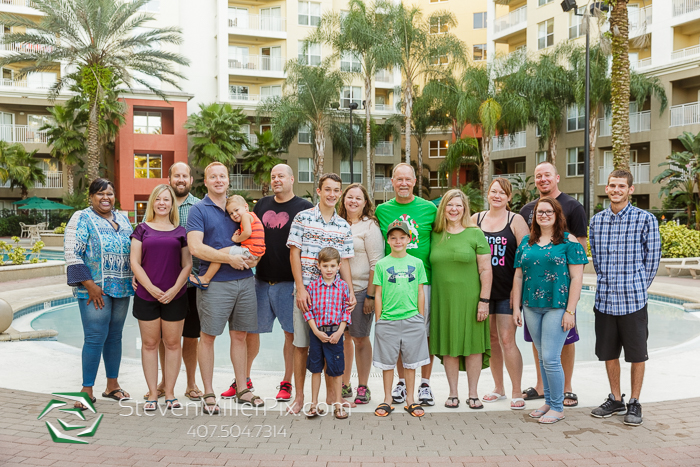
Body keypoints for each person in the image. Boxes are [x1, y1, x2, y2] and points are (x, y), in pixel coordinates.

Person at [186, 162, 262, 414]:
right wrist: (228, 258)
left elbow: (255, 239)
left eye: (222, 176)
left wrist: (255, 259)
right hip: (215, 285)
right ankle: (208, 392)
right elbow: (196, 248)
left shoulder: (238, 209)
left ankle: (243, 389)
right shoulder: (198, 210)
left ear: (229, 181)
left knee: (240, 336)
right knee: (207, 337)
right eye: (212, 176)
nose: (218, 180)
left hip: (244, 281)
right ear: (205, 181)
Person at [589, 169, 661, 426]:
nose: (616, 189)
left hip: (633, 301)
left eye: (621, 186)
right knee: (608, 353)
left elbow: (652, 261)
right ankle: (616, 399)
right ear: (606, 189)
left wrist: (638, 286)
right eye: (612, 185)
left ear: (631, 190)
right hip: (605, 300)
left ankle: (634, 402)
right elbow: (596, 259)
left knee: (637, 355)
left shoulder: (646, 220)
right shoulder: (596, 221)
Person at [512, 197, 588, 424]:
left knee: (550, 357)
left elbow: (577, 278)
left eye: (548, 211)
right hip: (531, 307)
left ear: (557, 215)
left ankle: (557, 407)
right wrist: (516, 307)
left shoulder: (568, 241)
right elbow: (518, 276)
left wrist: (570, 311)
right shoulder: (526, 242)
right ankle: (549, 402)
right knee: (543, 358)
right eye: (539, 212)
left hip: (557, 306)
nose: (543, 215)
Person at [240, 164, 312, 402]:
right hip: (260, 280)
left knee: (290, 335)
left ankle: (287, 382)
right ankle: (244, 380)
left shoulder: (304, 208)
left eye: (281, 176)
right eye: (273, 177)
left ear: (292, 179)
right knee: (251, 332)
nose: (276, 180)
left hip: (289, 283)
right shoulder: (261, 205)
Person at [287, 173, 356, 414]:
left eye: (336, 190)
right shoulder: (302, 218)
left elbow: (345, 262)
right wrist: (301, 289)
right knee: (302, 345)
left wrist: (350, 292)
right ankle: (300, 397)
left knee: (331, 345)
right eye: (328, 189)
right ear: (318, 191)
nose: (332, 194)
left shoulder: (344, 226)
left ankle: (332, 397)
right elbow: (294, 253)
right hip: (307, 292)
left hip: (334, 297)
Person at [64, 178, 134, 410]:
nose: (106, 198)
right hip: (94, 290)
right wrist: (90, 286)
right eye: (100, 194)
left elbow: (134, 250)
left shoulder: (123, 219)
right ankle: (86, 390)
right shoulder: (81, 218)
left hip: (121, 289)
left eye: (110, 194)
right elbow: (73, 254)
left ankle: (112, 385)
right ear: (91, 197)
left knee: (115, 337)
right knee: (95, 338)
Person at [375, 163, 437, 407]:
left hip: (423, 281)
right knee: (396, 334)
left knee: (423, 332)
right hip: (392, 281)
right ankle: (401, 382)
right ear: (392, 181)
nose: (403, 183)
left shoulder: (429, 208)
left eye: (407, 179)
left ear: (414, 181)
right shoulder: (382, 210)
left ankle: (425, 384)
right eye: (398, 179)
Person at [130, 184, 192, 411]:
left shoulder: (181, 232)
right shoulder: (141, 229)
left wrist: (175, 289)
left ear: (172, 204)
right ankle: (152, 395)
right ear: (153, 203)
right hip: (147, 295)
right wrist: (151, 288)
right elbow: (134, 262)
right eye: (158, 199)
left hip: (175, 296)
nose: (162, 203)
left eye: (167, 199)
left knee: (174, 344)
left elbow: (187, 265)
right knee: (149, 344)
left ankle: (170, 394)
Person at [431, 190, 493, 410]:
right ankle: (453, 393)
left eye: (458, 205)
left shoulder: (475, 233)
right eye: (449, 205)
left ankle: (473, 393)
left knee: (473, 345)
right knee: (449, 345)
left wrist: (484, 301)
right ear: (443, 208)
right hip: (443, 300)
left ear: (465, 208)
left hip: (471, 299)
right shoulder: (435, 233)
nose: (454, 209)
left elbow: (486, 270)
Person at [473, 178, 529, 409]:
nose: (497, 196)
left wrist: (518, 297)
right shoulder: (476, 219)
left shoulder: (515, 220)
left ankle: (517, 390)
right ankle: (499, 388)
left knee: (507, 339)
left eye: (502, 193)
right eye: (493, 191)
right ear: (488, 194)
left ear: (509, 198)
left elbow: (525, 260)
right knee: (492, 340)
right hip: (482, 291)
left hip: (507, 291)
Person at [149, 162, 203, 403]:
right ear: (169, 178)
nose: (180, 179)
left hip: (192, 285)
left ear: (191, 180)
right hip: (162, 285)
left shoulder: (200, 207)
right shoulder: (157, 203)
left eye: (185, 176)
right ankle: (163, 382)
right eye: (176, 175)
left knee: (191, 336)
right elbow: (144, 239)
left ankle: (191, 383)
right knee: (162, 337)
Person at [372, 220, 430, 418]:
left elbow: (420, 292)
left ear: (409, 239)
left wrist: (420, 318)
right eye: (393, 238)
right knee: (388, 363)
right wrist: (379, 320)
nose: (398, 241)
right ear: (388, 240)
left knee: (411, 363)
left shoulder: (417, 263)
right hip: (388, 320)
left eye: (402, 237)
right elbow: (378, 293)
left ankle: (410, 399)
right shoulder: (382, 264)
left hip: (412, 319)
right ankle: (387, 399)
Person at [337, 183, 385, 405]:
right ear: (343, 199)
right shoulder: (336, 223)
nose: (353, 201)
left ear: (365, 202)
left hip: (360, 290)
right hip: (336, 292)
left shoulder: (369, 226)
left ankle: (363, 386)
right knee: (343, 338)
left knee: (360, 338)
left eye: (358, 198)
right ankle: (344, 383)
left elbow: (377, 263)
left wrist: (370, 296)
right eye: (350, 197)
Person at [304, 247, 351, 419]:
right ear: (318, 266)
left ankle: (338, 404)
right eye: (325, 266)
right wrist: (315, 331)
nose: (329, 269)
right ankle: (314, 404)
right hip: (317, 334)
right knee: (316, 369)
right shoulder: (313, 287)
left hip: (335, 334)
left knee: (337, 371)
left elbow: (346, 310)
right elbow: (307, 311)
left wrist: (340, 331)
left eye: (332, 265)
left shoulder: (342, 287)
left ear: (339, 266)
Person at [189, 195, 265, 288]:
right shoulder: (253, 217)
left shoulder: (245, 216)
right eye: (231, 213)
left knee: (219, 254)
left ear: (246, 207)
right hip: (257, 252)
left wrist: (236, 239)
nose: (234, 214)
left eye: (236, 210)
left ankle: (206, 278)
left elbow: (247, 233)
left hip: (249, 251)